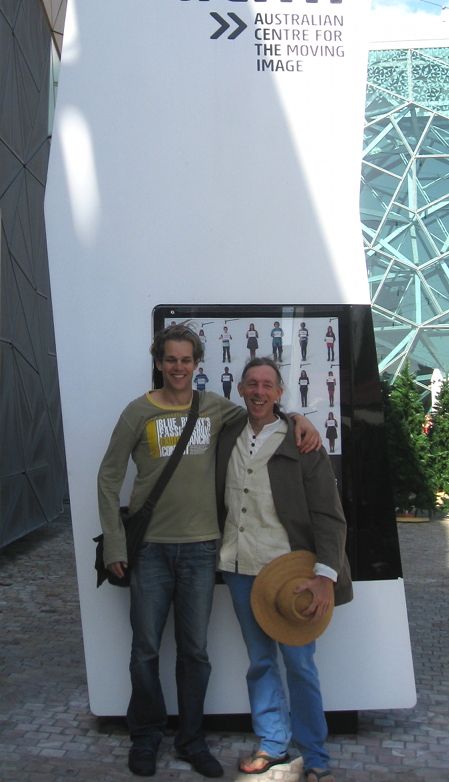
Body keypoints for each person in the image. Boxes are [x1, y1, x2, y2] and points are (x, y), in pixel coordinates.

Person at [97, 325, 320, 779]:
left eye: (186, 360)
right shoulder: (137, 412)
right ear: (158, 362)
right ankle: (146, 737)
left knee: (195, 652)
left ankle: (191, 740)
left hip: (201, 550)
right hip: (151, 551)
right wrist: (115, 543)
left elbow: (264, 409)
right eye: (171, 359)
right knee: (145, 650)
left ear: (197, 364)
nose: (178, 367)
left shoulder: (217, 409)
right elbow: (108, 477)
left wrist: (299, 417)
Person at [216, 358, 352, 782]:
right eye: (252, 384)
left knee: (300, 666)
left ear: (279, 393)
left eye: (267, 385)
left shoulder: (301, 441)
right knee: (260, 661)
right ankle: (273, 743)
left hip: (290, 573)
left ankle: (315, 757)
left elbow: (329, 515)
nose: (259, 392)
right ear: (241, 389)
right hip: (239, 567)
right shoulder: (227, 433)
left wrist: (325, 576)